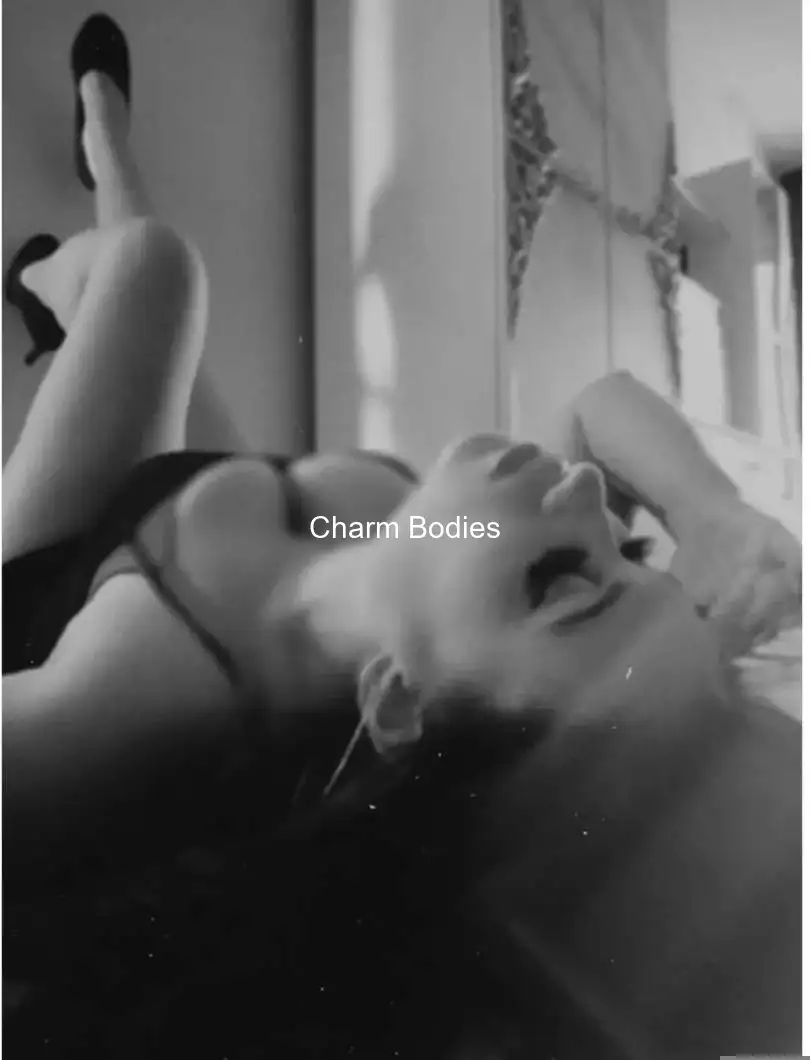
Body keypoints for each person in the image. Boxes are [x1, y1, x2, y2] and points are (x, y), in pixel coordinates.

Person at [2, 16, 802, 1056]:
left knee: (155, 270)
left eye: (564, 577)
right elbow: (603, 405)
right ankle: (87, 207)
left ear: (400, 699)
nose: (582, 494)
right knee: (161, 287)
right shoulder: (425, 526)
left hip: (72, 567)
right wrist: (715, 512)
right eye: (629, 548)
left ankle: (51, 276)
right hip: (280, 526)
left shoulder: (141, 685)